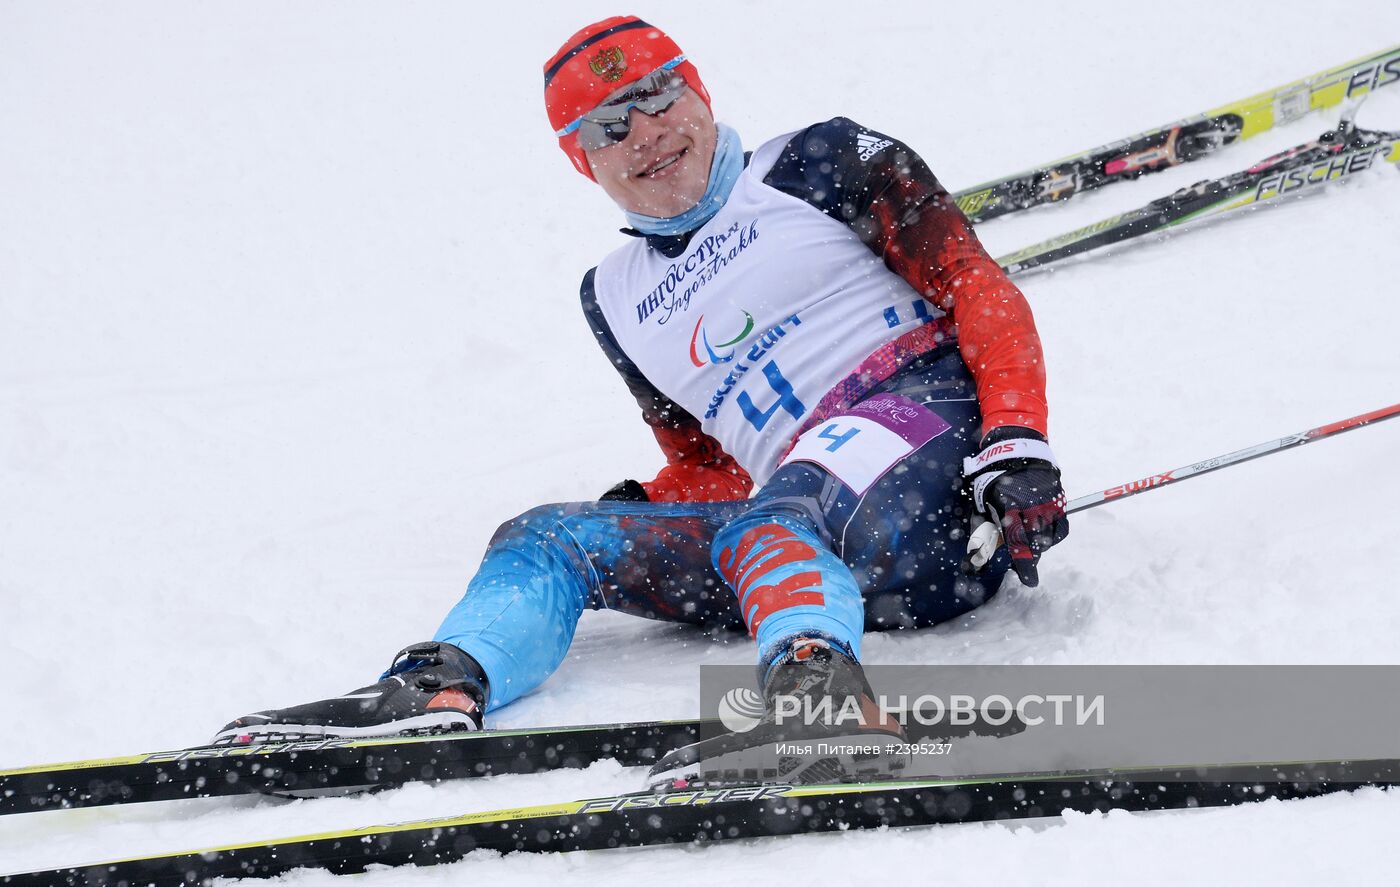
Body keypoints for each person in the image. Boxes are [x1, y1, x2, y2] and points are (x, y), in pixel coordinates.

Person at [215, 16, 1068, 784]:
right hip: (814, 539)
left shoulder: (819, 159)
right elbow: (709, 467)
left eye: (659, 94)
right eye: (608, 125)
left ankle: (821, 702)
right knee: (547, 536)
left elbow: (978, 289)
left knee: (783, 510)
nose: (647, 132)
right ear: (580, 159)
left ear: (699, 90)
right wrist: (643, 508)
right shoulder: (614, 298)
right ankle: (437, 691)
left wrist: (1016, 442)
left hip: (929, 464)